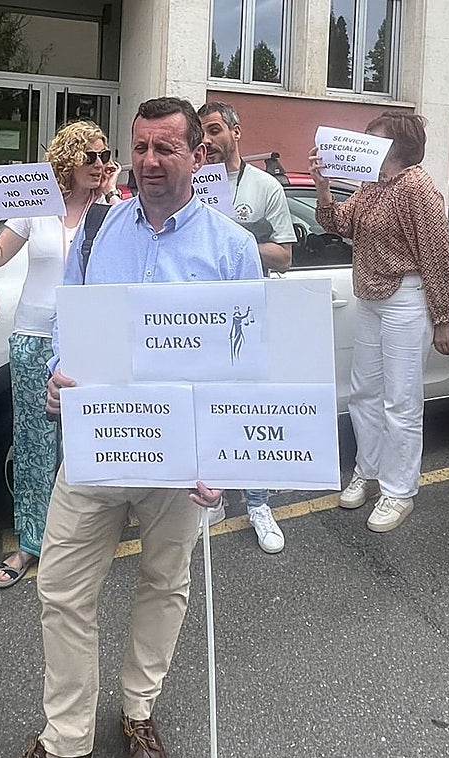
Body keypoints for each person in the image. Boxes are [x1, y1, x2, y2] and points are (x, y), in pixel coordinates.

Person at [0, 97, 262, 758]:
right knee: (63, 586)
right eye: (139, 148)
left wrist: (226, 459)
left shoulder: (231, 246)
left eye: (166, 148)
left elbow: (249, 360)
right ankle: (66, 742)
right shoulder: (101, 227)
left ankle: (139, 715)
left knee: (164, 585)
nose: (148, 161)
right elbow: (73, 319)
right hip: (101, 441)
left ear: (198, 156)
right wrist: (57, 376)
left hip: (181, 455)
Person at [0, 120, 120, 589]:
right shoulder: (37, 207)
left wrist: (112, 196)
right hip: (36, 335)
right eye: (91, 157)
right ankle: (31, 541)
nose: (100, 164)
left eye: (105, 156)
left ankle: (85, 537)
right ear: (69, 161)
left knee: (90, 438)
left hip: (90, 335)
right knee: (34, 444)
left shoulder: (115, 210)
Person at [309, 112, 449, 531]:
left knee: (401, 400)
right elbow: (336, 224)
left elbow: (435, 256)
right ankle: (367, 471)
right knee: (364, 392)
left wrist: (442, 317)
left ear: (397, 145)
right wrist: (322, 186)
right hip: (372, 298)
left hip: (406, 298)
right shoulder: (371, 185)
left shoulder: (418, 187)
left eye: (373, 137)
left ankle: (399, 490)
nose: (364, 142)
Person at [197, 101, 297, 552]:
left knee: (251, 408)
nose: (208, 140)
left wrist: (237, 244)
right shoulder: (192, 186)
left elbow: (284, 255)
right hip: (198, 317)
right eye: (201, 133)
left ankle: (258, 502)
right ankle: (210, 496)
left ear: (236, 132)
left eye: (215, 130)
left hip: (245, 316)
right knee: (205, 408)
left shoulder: (264, 187)